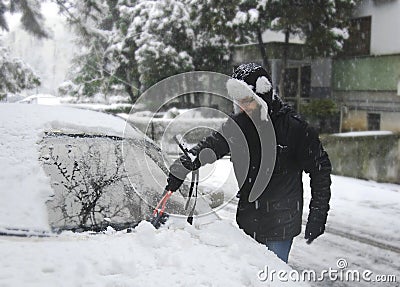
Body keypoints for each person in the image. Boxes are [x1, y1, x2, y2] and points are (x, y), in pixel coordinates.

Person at [165, 63, 332, 263]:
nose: (244, 107)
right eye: (239, 102)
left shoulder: (294, 128)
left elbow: (320, 170)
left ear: (264, 95)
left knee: (272, 279)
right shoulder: (239, 125)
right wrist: (184, 165)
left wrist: (318, 215)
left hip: (281, 225)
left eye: (248, 101)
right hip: (248, 221)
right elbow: (211, 146)